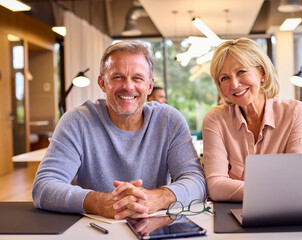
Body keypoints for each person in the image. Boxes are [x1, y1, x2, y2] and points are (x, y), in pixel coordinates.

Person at [32, 40, 206, 220]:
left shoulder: (169, 120)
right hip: (93, 230)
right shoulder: (76, 122)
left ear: (149, 86)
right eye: (117, 77)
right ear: (102, 83)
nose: (128, 87)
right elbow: (44, 187)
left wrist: (157, 198)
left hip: (153, 228)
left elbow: (197, 182)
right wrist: (99, 201)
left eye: (137, 78)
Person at [202, 38, 302, 202]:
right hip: (231, 214)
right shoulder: (215, 119)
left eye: (241, 72)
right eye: (224, 78)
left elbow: (298, 181)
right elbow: (216, 187)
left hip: (283, 210)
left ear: (262, 73)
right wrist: (274, 192)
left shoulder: (295, 112)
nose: (234, 84)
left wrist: (245, 191)